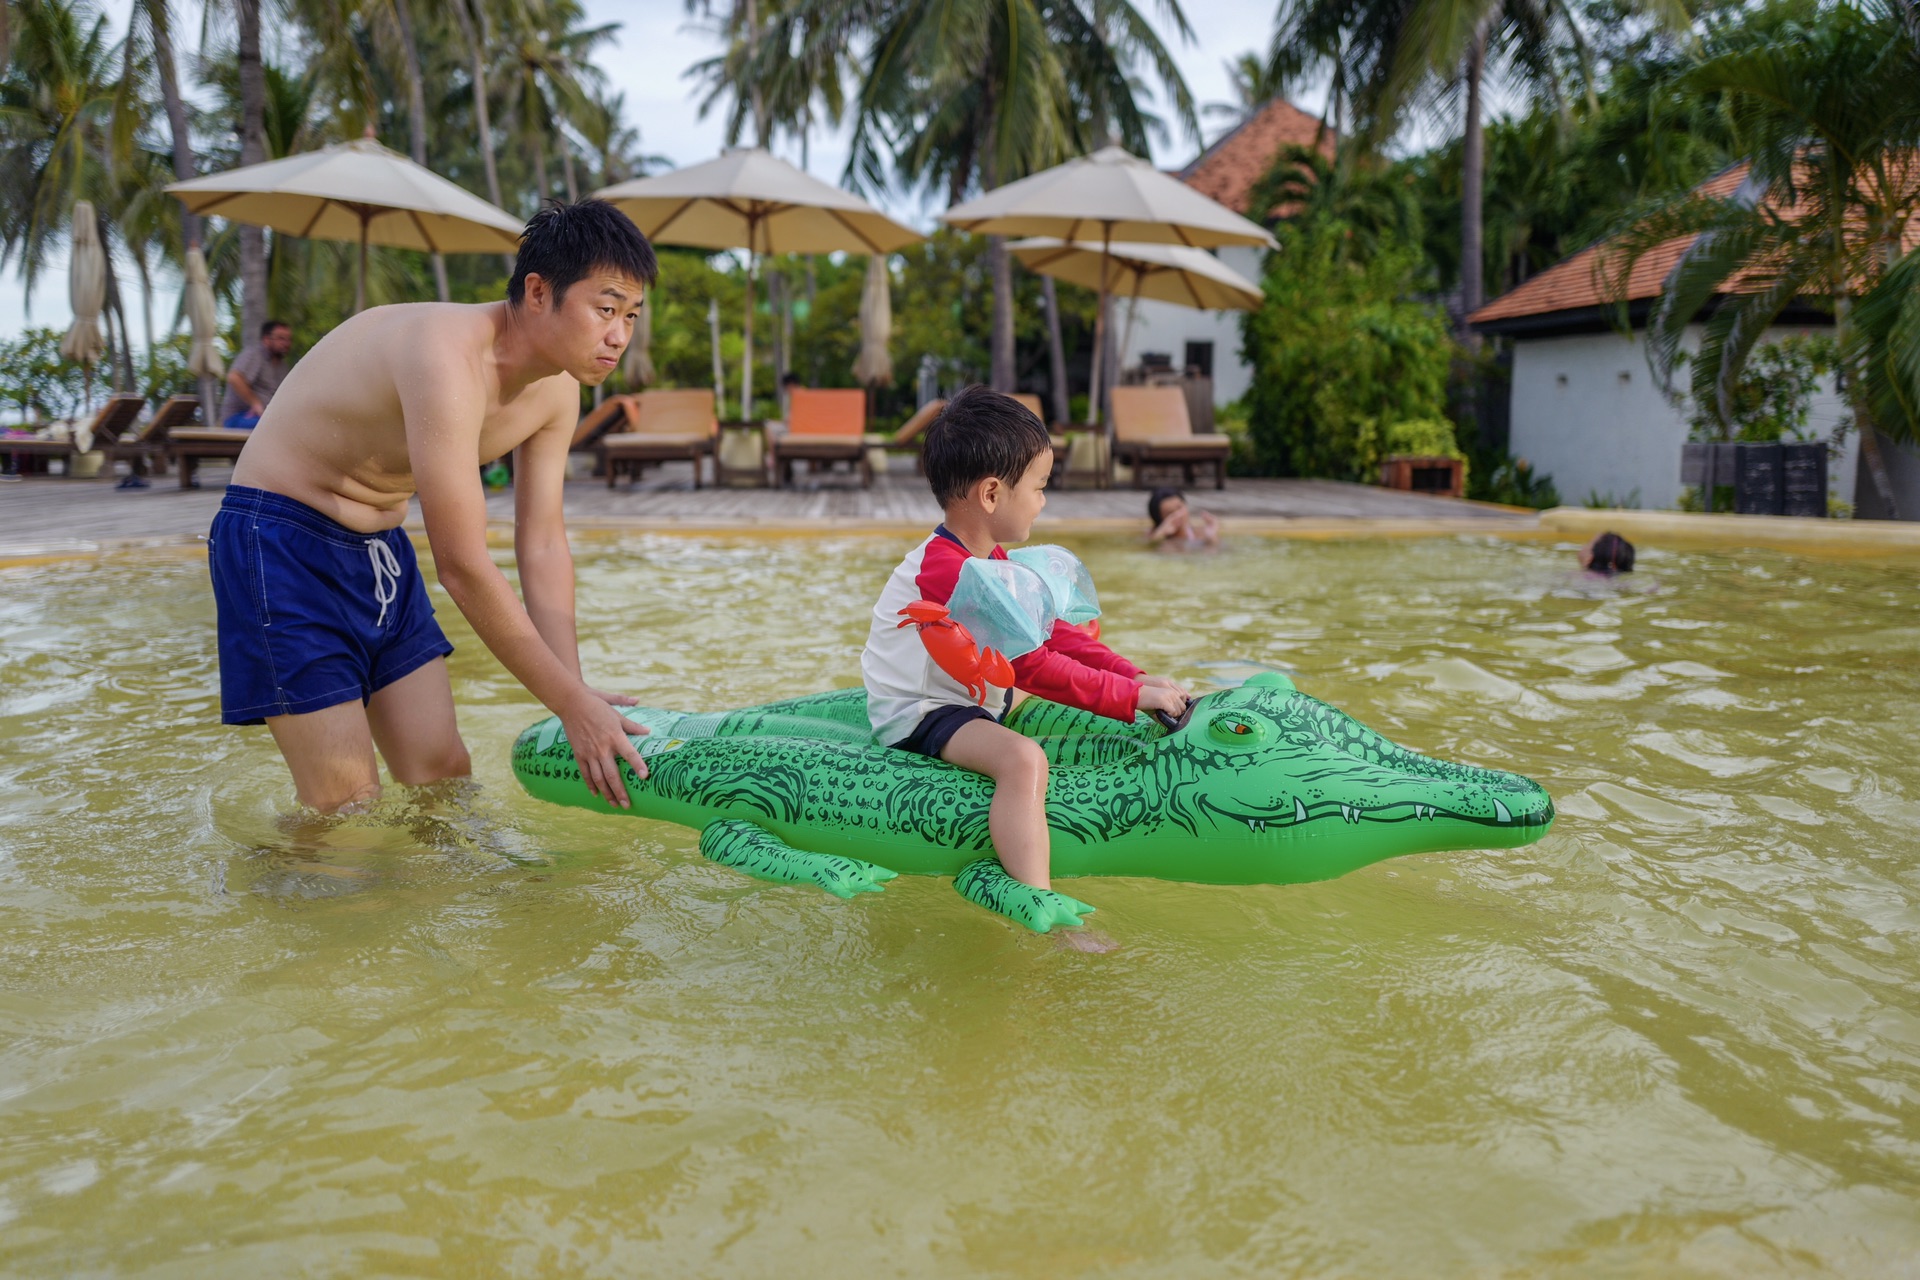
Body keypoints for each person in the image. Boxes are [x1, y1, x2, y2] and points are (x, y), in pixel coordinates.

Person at [209, 199, 658, 814]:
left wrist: (573, 688)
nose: (619, 335)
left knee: (443, 773)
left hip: (379, 551)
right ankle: (276, 892)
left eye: (631, 315)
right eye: (605, 309)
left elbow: (544, 543)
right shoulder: (446, 356)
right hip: (279, 537)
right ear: (537, 291)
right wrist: (569, 704)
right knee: (347, 803)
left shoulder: (558, 392)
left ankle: (446, 905)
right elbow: (462, 564)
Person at [862, 386, 1190, 899]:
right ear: (992, 495)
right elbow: (1032, 664)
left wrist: (1133, 676)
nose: (1043, 501)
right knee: (1025, 760)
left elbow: (1052, 632)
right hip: (925, 710)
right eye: (1038, 487)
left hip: (970, 692)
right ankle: (1038, 896)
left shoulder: (990, 558)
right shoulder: (947, 570)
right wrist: (1129, 700)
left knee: (1059, 674)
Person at [220, 319, 294, 429]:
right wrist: (255, 403)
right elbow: (234, 377)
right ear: (266, 339)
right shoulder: (254, 355)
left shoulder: (282, 366)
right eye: (281, 338)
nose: (286, 343)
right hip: (239, 417)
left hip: (266, 418)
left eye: (289, 340)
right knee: (276, 427)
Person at [1147, 487, 1219, 550]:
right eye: (1170, 513)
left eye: (1179, 507)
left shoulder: (1200, 534)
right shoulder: (1155, 535)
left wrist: (1212, 539)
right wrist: (1160, 535)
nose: (1178, 515)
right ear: (1160, 519)